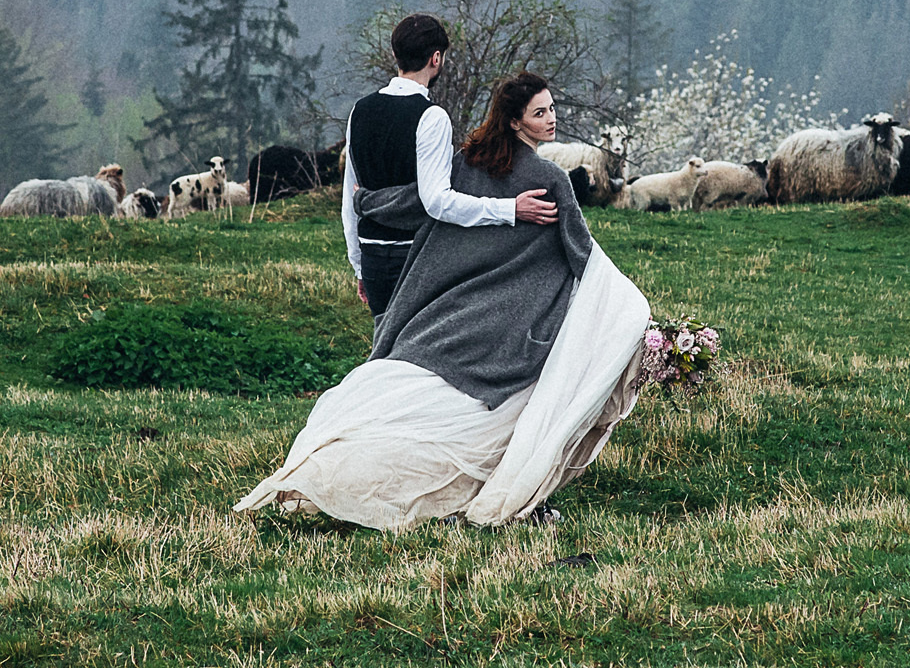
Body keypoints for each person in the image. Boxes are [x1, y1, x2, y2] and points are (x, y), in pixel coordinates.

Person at [238, 73, 649, 529]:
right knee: (507, 409)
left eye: (552, 109)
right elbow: (584, 254)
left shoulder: (467, 162)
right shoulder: (549, 178)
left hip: (455, 308)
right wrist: (635, 316)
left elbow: (420, 202)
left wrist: (369, 202)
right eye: (540, 112)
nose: (551, 119)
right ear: (515, 122)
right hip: (515, 322)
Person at [339, 14, 558, 320]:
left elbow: (350, 197)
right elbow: (437, 202)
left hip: (372, 255)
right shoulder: (431, 117)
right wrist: (511, 209)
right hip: (416, 257)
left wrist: (359, 266)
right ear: (436, 58)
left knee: (384, 351)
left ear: (395, 55)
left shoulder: (359, 111)